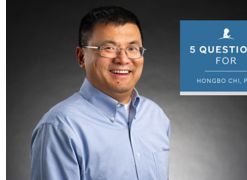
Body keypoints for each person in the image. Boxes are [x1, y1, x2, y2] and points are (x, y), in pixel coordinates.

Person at [30, 6, 171, 180]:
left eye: (132, 48)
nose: (123, 59)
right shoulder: (60, 127)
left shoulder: (155, 117)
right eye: (108, 48)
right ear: (81, 57)